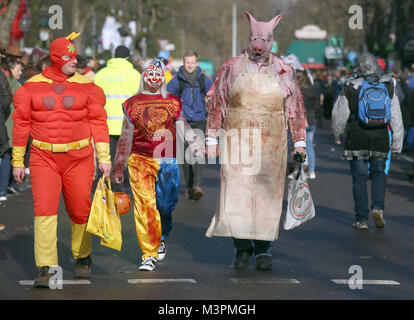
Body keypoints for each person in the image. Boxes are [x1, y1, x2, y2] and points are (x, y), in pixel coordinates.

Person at [204, 12, 307, 271]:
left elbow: (295, 107)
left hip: (271, 145)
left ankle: (262, 250)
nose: (259, 44)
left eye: (264, 39)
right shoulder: (231, 67)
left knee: (267, 196)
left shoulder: (284, 69)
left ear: (271, 41)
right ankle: (241, 247)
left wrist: (300, 143)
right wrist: (211, 138)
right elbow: (217, 103)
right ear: (249, 39)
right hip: (237, 141)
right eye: (254, 38)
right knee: (237, 195)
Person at [11, 32, 111, 287]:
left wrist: (105, 158)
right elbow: (21, 124)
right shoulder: (30, 87)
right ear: (55, 58)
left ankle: (82, 257)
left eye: (75, 56)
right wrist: (17, 161)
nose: (74, 61)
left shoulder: (89, 87)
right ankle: (46, 266)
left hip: (79, 157)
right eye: (68, 57)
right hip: (43, 157)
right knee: (44, 211)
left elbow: (98, 122)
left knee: (80, 210)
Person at [113, 59, 203, 271]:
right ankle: (149, 253)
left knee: (164, 204)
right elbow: (125, 136)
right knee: (145, 207)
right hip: (139, 160)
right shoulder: (132, 104)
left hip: (167, 159)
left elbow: (183, 126)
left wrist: (195, 142)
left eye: (157, 76)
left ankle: (161, 235)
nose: (153, 80)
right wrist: (119, 165)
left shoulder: (173, 102)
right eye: (150, 76)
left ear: (162, 79)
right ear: (144, 78)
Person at [332, 52, 403, 230]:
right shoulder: (388, 85)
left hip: (357, 138)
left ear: (359, 68)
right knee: (379, 174)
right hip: (380, 138)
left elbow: (339, 114)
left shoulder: (350, 85)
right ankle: (378, 207)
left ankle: (361, 219)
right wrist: (397, 143)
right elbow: (396, 117)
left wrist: (337, 133)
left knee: (359, 178)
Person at [167, 50, 213, 200]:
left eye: (193, 62)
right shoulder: (177, 80)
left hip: (199, 119)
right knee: (185, 156)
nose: (190, 65)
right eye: (188, 62)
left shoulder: (203, 79)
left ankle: (197, 186)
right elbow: (167, 97)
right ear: (184, 63)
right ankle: (189, 185)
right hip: (182, 121)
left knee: (198, 153)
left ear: (197, 63)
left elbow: (213, 94)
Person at [94, 45, 141, 186]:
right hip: (127, 125)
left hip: (105, 124)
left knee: (105, 157)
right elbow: (138, 101)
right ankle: (124, 186)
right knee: (125, 158)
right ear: (128, 57)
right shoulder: (135, 75)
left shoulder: (100, 74)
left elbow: (94, 100)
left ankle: (103, 187)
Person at [296, 70, 320, 179]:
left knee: (301, 147)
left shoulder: (298, 92)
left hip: (301, 121)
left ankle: (300, 170)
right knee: (310, 146)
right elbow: (317, 106)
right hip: (312, 120)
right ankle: (311, 171)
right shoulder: (314, 90)